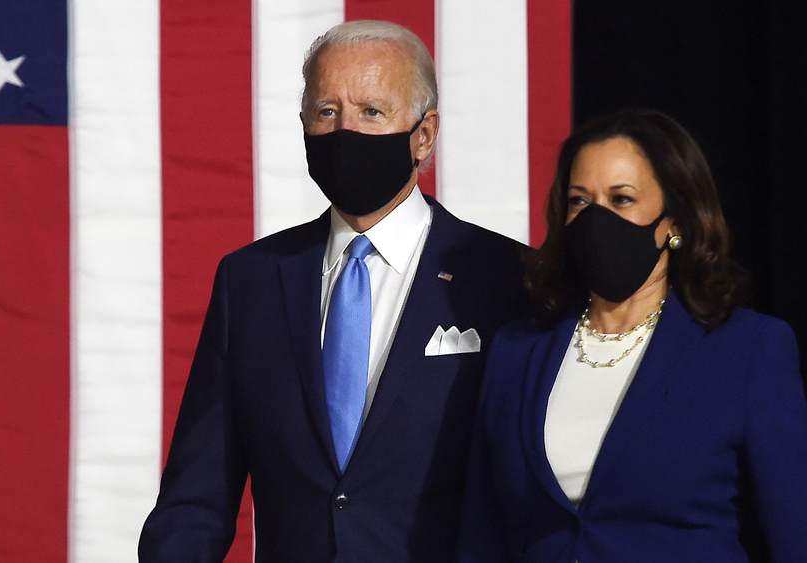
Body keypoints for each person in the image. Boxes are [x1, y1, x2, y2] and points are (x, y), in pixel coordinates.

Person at [138, 20, 529, 563]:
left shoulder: (506, 279)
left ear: (424, 133)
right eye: (327, 112)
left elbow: (532, 497)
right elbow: (195, 500)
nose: (345, 131)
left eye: (372, 112)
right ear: (303, 125)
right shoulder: (249, 281)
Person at [457, 108, 807, 562]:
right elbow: (481, 532)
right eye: (580, 201)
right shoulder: (517, 350)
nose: (596, 220)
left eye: (621, 199)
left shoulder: (748, 349)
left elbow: (796, 534)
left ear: (675, 223)